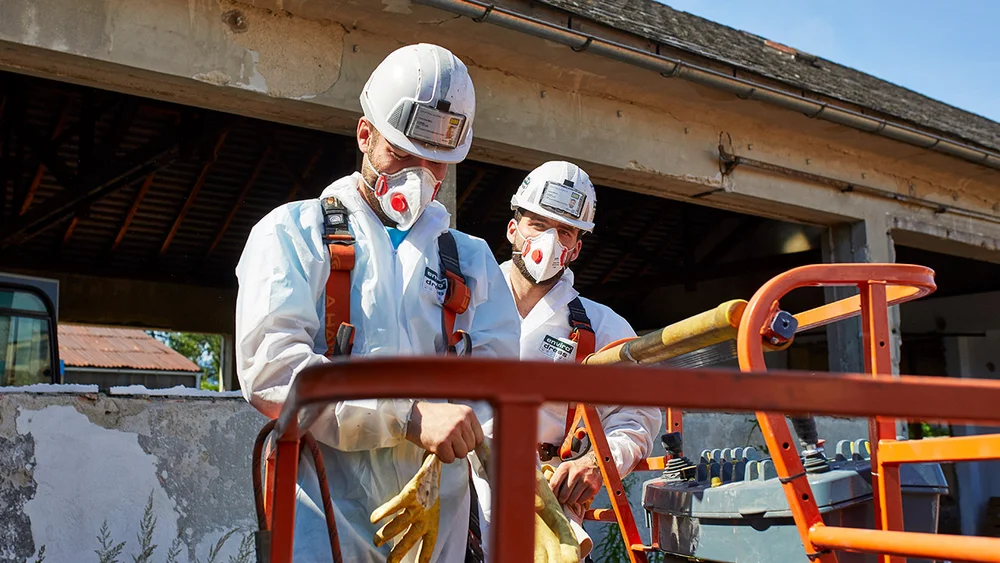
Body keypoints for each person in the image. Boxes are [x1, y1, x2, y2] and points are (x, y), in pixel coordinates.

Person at [235, 43, 521, 563]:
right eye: (403, 154)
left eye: (436, 161)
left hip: (436, 531)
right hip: (322, 521)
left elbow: (498, 391)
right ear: (365, 135)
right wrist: (406, 415)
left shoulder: (474, 263)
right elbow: (271, 369)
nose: (419, 176)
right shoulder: (292, 234)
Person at [484, 160, 662, 559]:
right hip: (460, 485)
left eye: (564, 231)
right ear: (513, 228)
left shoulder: (601, 327)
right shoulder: (465, 299)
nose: (549, 240)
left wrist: (596, 463)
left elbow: (638, 415)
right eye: (538, 224)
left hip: (544, 505)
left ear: (576, 248)